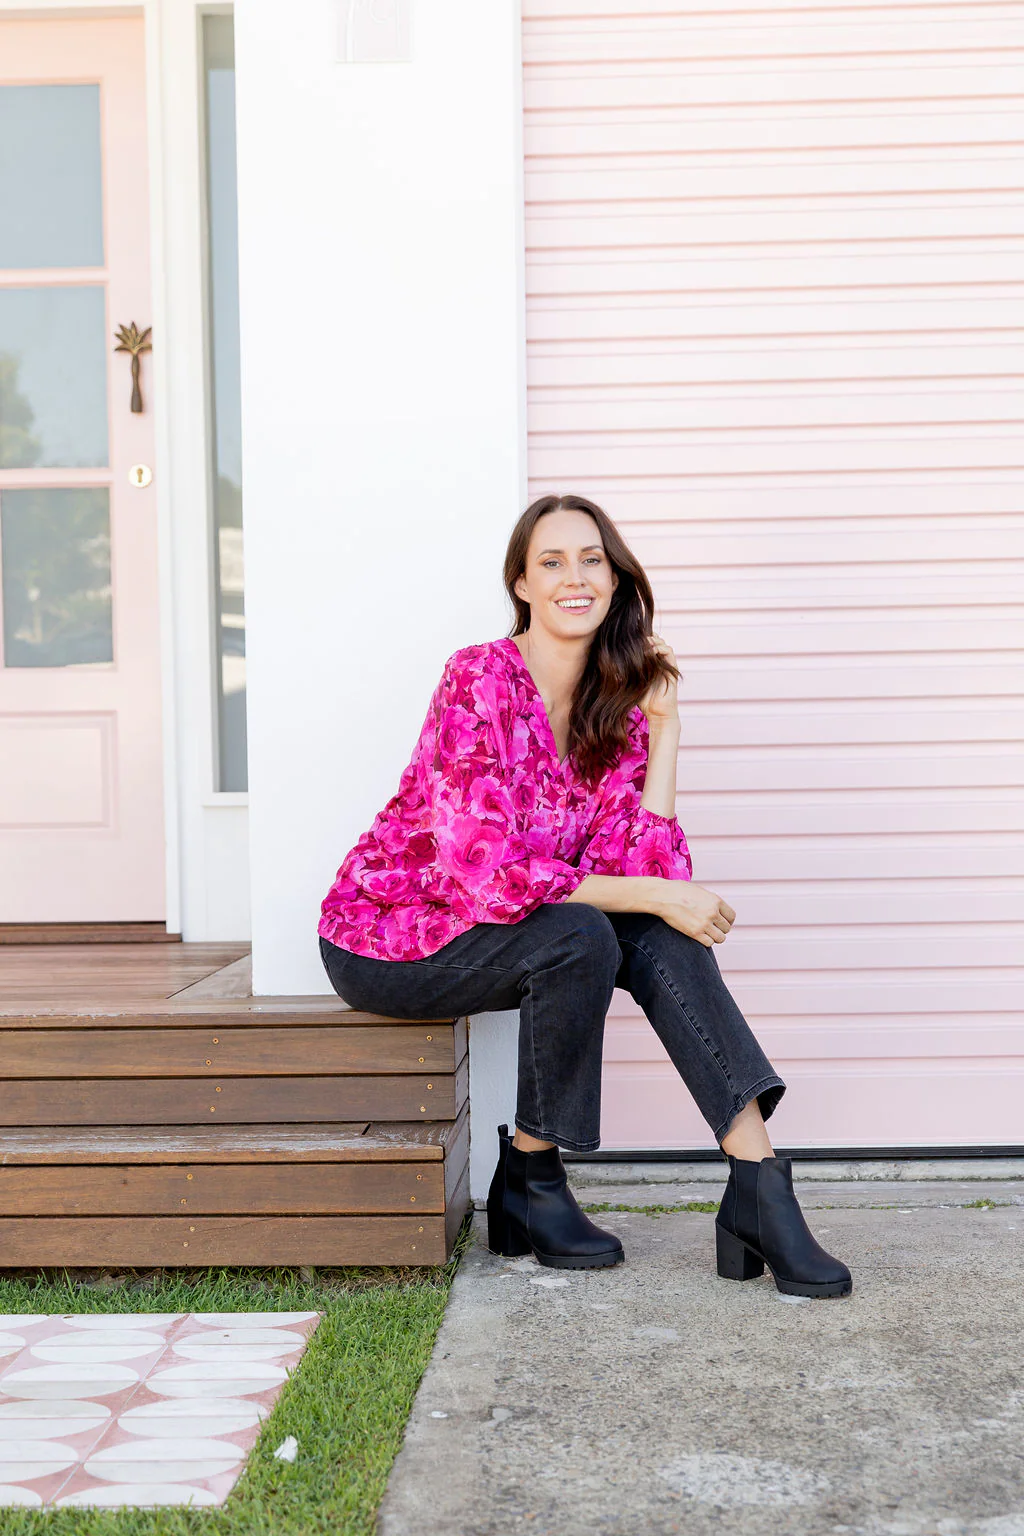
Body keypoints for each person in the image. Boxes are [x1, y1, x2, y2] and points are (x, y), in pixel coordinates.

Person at [318, 493, 852, 1300]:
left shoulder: (618, 709)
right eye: (552, 562)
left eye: (592, 559)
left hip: (522, 927)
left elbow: (645, 870)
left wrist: (666, 728)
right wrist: (658, 897)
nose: (576, 577)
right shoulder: (478, 679)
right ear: (523, 585)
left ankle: (758, 1182)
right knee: (585, 935)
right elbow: (485, 869)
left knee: (651, 932)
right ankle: (532, 1179)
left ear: (615, 578)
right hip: (393, 940)